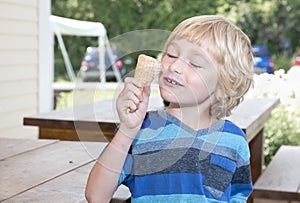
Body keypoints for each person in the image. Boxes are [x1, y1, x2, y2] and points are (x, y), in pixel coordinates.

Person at [85, 15, 254, 202]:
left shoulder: (234, 140)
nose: (174, 66)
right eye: (171, 54)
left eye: (195, 64)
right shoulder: (142, 130)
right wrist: (127, 131)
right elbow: (96, 196)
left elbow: (238, 196)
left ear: (223, 87)